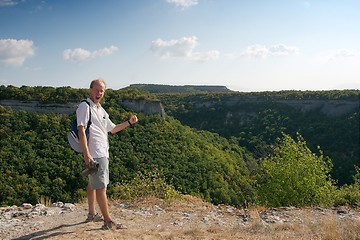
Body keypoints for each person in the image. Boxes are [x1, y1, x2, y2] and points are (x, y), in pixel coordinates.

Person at [77, 78, 138, 230]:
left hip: (102, 151)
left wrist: (129, 123)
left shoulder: (100, 109)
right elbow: (81, 130)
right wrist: (87, 155)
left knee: (92, 184)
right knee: (101, 187)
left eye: (102, 91)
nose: (99, 93)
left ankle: (92, 214)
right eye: (96, 90)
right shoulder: (85, 107)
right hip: (96, 153)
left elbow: (113, 129)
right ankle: (108, 221)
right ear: (90, 90)